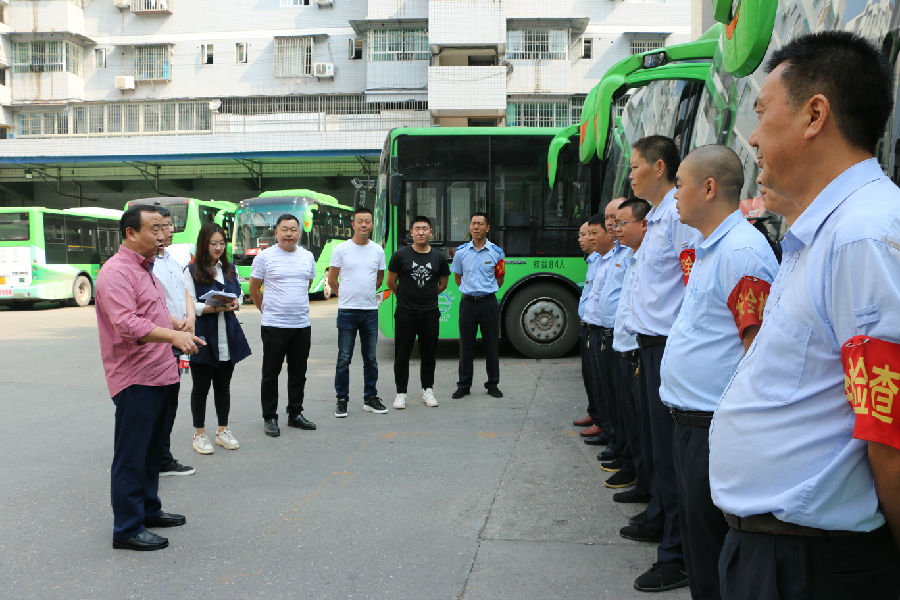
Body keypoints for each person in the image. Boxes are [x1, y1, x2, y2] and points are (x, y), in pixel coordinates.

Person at [709, 31, 899, 600]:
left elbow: (889, 431)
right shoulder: (823, 231)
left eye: (762, 112)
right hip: (779, 553)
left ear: (815, 115)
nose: (752, 136)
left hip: (811, 566)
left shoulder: (863, 236)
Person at [662, 145, 778, 599]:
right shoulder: (713, 248)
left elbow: (757, 349)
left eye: (679, 185)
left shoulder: (742, 252)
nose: (674, 195)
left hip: (713, 426)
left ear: (708, 188)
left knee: (713, 555)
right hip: (691, 423)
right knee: (699, 549)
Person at [95, 205, 204, 551]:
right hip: (136, 378)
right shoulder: (116, 272)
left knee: (152, 451)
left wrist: (177, 324)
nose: (161, 235)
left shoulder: (147, 268)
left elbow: (151, 310)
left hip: (161, 372)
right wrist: (174, 336)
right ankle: (127, 528)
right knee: (132, 455)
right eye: (154, 229)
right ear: (131, 233)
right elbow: (127, 324)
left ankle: (149, 510)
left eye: (163, 228)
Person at [620, 135, 702, 593]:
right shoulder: (656, 216)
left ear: (659, 167)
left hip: (668, 346)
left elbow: (691, 287)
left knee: (672, 460)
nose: (630, 174)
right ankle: (662, 522)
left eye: (636, 166)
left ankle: (677, 555)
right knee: (658, 450)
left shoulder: (677, 217)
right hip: (648, 345)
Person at [185, 223, 252, 454]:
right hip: (204, 335)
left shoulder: (229, 268)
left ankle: (223, 430)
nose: (218, 248)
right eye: (213, 243)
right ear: (203, 244)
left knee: (223, 386)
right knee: (201, 387)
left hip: (227, 335)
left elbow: (240, 295)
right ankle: (199, 434)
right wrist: (211, 308)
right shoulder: (191, 270)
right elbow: (189, 304)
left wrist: (235, 303)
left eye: (222, 243)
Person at [249, 214, 318, 437]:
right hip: (274, 325)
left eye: (293, 229)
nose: (289, 234)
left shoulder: (307, 256)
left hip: (301, 324)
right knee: (271, 373)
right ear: (276, 232)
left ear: (299, 232)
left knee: (299, 372)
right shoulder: (265, 257)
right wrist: (266, 309)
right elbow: (254, 288)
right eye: (285, 229)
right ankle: (270, 417)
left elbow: (307, 284)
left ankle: (295, 413)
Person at [609, 199, 654, 512]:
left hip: (639, 349)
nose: (616, 228)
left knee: (642, 426)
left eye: (622, 223)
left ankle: (646, 484)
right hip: (624, 346)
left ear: (644, 224)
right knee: (628, 417)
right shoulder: (632, 257)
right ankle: (639, 477)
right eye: (614, 222)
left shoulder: (650, 258)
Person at [327, 206, 387, 417]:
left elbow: (379, 279)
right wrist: (345, 296)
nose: (363, 225)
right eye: (359, 221)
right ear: (353, 224)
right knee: (344, 358)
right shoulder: (341, 249)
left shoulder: (378, 250)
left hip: (370, 311)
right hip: (347, 312)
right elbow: (332, 279)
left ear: (372, 225)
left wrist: (365, 294)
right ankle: (341, 399)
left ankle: (370, 398)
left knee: (371, 358)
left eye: (367, 221)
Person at [386, 216, 450, 409]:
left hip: (430, 313)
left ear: (431, 232)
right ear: (411, 232)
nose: (421, 232)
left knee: (429, 354)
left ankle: (428, 390)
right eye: (417, 229)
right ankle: (401, 393)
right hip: (405, 313)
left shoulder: (438, 257)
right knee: (402, 354)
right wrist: (405, 297)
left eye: (424, 228)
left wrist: (427, 296)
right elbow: (391, 282)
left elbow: (443, 284)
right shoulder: (400, 256)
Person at [151, 206, 196, 477]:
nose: (168, 231)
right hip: (161, 339)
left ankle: (161, 456)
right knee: (158, 403)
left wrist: (190, 318)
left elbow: (184, 292)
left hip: (179, 337)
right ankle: (156, 459)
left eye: (168, 225)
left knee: (170, 401)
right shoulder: (147, 265)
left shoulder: (171, 259)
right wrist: (176, 324)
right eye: (161, 227)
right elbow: (150, 306)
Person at [450, 212, 506, 399]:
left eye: (480, 224)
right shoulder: (461, 253)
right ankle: (464, 385)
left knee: (491, 346)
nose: (476, 227)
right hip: (468, 304)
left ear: (487, 228)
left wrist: (485, 291)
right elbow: (458, 279)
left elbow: (500, 279)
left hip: (488, 303)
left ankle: (493, 384)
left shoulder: (496, 252)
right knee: (466, 346)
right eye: (473, 223)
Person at [579, 213, 615, 446]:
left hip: (605, 330)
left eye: (593, 233)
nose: (588, 238)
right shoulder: (597, 260)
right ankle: (598, 418)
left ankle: (606, 427)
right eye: (585, 234)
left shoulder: (615, 259)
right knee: (592, 378)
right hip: (591, 326)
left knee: (605, 384)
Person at [573, 220, 600, 428]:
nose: (582, 239)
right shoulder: (591, 260)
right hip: (587, 324)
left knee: (598, 377)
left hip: (598, 327)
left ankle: (601, 419)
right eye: (582, 235)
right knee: (589, 375)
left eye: (587, 234)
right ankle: (594, 412)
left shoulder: (601, 260)